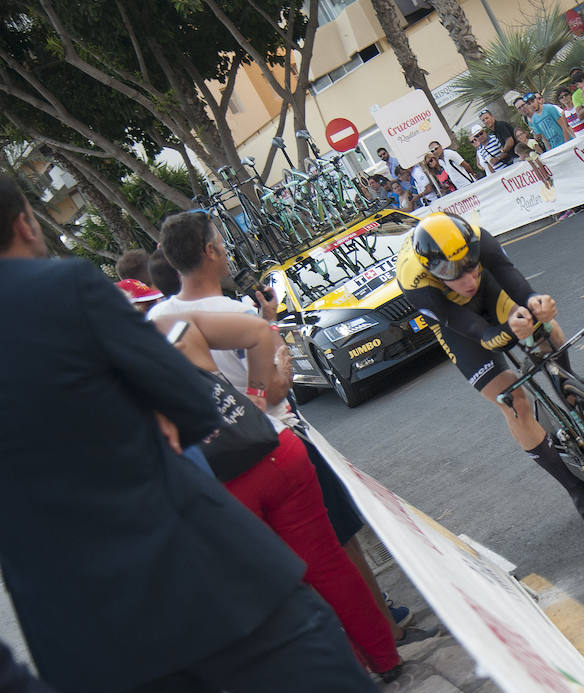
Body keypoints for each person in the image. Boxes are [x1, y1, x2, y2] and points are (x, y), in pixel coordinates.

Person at [0, 175, 386, 693]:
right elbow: (190, 401)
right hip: (204, 570)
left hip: (84, 638)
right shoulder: (63, 289)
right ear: (24, 224)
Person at [147, 211, 431, 648]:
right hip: (277, 440)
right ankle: (385, 631)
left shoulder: (162, 317)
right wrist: (273, 344)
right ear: (209, 252)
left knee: (289, 562)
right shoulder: (236, 313)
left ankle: (344, 638)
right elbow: (274, 393)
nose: (225, 249)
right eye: (220, 241)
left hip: (219, 459)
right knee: (339, 545)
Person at [149, 309, 405, 679]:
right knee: (329, 564)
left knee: (289, 587)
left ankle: (350, 674)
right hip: (272, 449)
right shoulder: (174, 326)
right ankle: (386, 658)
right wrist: (256, 394)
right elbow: (257, 330)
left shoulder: (98, 375)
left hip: (223, 485)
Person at [396, 212, 584, 529]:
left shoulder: (478, 238)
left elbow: (513, 281)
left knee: (547, 331)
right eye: (455, 275)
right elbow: (476, 331)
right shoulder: (415, 281)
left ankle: (570, 387)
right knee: (512, 403)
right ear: (433, 271)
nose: (467, 280)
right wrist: (505, 333)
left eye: (471, 265)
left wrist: (537, 303)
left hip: (492, 290)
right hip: (455, 322)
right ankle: (576, 488)